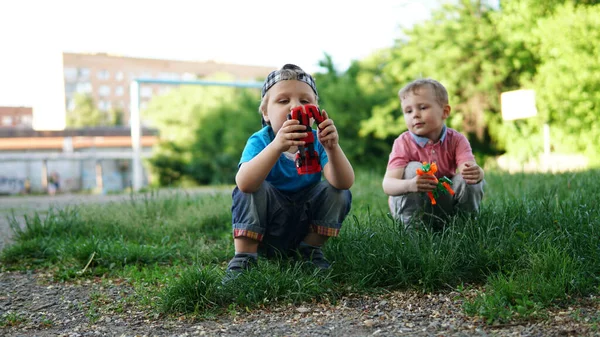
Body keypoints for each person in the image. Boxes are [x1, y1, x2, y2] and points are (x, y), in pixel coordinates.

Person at [225, 64, 354, 281]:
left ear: (315, 111)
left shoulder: (318, 141)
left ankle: (310, 251)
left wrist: (332, 148)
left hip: (305, 225)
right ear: (266, 113)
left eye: (305, 101)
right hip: (266, 228)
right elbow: (244, 183)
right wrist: (277, 146)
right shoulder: (261, 141)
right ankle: (245, 257)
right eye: (283, 101)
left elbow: (343, 182)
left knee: (338, 192)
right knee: (251, 188)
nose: (295, 106)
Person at [382, 78, 485, 229]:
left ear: (445, 112)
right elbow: (388, 184)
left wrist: (478, 173)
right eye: (408, 111)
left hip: (443, 202)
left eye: (422, 108)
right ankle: (412, 230)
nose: (415, 115)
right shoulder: (403, 142)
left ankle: (464, 228)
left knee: (469, 177)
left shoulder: (456, 140)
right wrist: (411, 185)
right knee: (413, 169)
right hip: (409, 205)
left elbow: (468, 169)